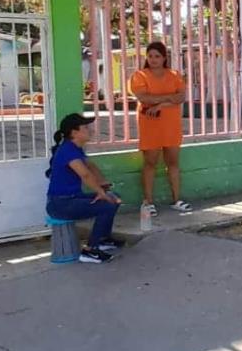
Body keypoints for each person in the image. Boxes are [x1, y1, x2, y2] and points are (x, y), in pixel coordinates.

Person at [45, 114, 123, 264]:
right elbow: (85, 175)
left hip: (71, 199)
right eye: (86, 128)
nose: (91, 131)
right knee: (107, 204)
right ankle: (91, 250)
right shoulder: (67, 150)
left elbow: (90, 166)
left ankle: (103, 240)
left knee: (113, 196)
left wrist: (103, 184)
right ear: (74, 133)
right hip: (61, 204)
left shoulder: (75, 148)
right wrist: (101, 193)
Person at [130, 42, 192, 216]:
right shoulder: (139, 76)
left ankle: (177, 199)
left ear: (164, 57)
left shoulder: (174, 75)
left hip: (171, 125)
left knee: (172, 162)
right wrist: (168, 99)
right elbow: (144, 98)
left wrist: (160, 104)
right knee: (150, 163)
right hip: (150, 123)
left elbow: (181, 97)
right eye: (150, 56)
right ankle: (148, 202)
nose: (153, 60)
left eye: (157, 56)